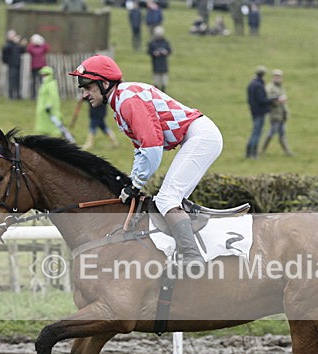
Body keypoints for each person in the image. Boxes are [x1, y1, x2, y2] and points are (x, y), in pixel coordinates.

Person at [69, 55, 223, 266]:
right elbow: (142, 150)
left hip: (201, 137)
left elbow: (152, 147)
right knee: (169, 200)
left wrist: (136, 184)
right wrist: (132, 181)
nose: (85, 94)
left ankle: (192, 257)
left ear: (104, 83)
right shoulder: (121, 101)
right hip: (197, 136)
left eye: (88, 87)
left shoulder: (128, 101)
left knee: (166, 200)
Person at [245, 65, 276, 159]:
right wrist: (273, 99)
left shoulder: (251, 84)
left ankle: (248, 153)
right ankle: (253, 154)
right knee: (257, 133)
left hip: (254, 111)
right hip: (259, 113)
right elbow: (262, 100)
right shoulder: (259, 85)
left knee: (254, 132)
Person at [261, 69, 292, 156]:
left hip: (281, 115)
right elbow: (268, 100)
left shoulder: (280, 87)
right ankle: (262, 150)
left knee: (282, 134)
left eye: (278, 77)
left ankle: (287, 152)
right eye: (275, 77)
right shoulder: (270, 88)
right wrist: (278, 101)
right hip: (274, 115)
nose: (277, 78)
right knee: (271, 133)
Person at [35, 67, 63, 137]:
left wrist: (49, 104)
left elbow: (53, 96)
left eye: (46, 75)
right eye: (43, 75)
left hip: (49, 110)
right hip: (43, 110)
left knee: (52, 125)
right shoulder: (45, 84)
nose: (44, 77)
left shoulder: (51, 84)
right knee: (44, 127)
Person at [1, 30, 26, 100]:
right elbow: (5, 50)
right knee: (12, 80)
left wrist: (22, 45)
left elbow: (22, 51)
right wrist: (14, 42)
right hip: (11, 64)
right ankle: (10, 95)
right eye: (13, 35)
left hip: (17, 64)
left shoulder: (16, 45)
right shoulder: (8, 44)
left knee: (18, 80)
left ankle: (18, 95)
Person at [26, 34, 51, 99]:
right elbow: (29, 49)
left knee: (40, 82)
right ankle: (34, 95)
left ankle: (40, 94)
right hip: (36, 66)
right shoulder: (38, 48)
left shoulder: (41, 47)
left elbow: (47, 48)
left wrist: (42, 42)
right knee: (36, 82)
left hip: (40, 67)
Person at [147, 26, 171, 92]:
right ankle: (156, 90)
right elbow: (149, 51)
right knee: (156, 77)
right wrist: (154, 53)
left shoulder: (165, 42)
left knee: (164, 78)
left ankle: (163, 90)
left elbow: (169, 50)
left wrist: (165, 52)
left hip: (163, 63)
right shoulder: (152, 43)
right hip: (156, 62)